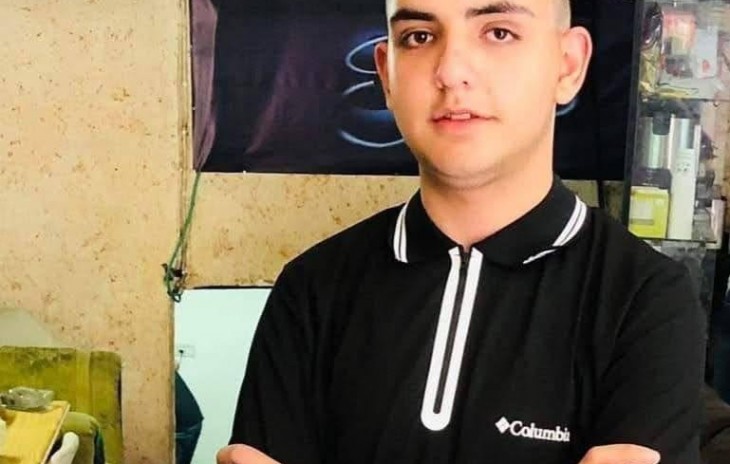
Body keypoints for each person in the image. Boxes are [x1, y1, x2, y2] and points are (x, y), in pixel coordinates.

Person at [218, 0, 706, 462]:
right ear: (386, 74)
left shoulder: (644, 299)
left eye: (499, 32)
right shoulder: (312, 289)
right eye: (419, 36)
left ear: (568, 65)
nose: (451, 71)